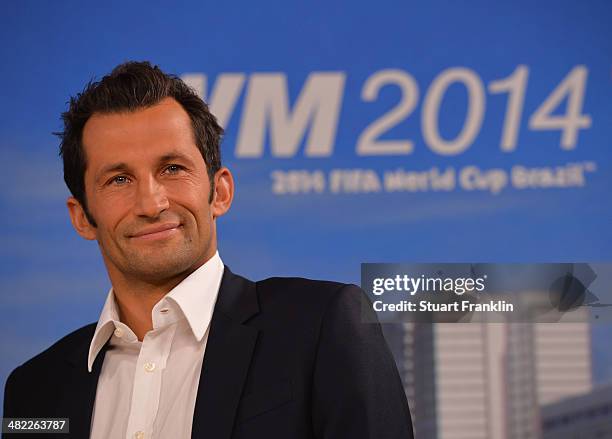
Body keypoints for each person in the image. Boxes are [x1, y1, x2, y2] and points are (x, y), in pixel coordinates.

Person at [2, 61, 413, 439]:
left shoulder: (321, 327)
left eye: (173, 169)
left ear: (220, 191)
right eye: (119, 180)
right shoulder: (33, 388)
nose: (151, 203)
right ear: (81, 217)